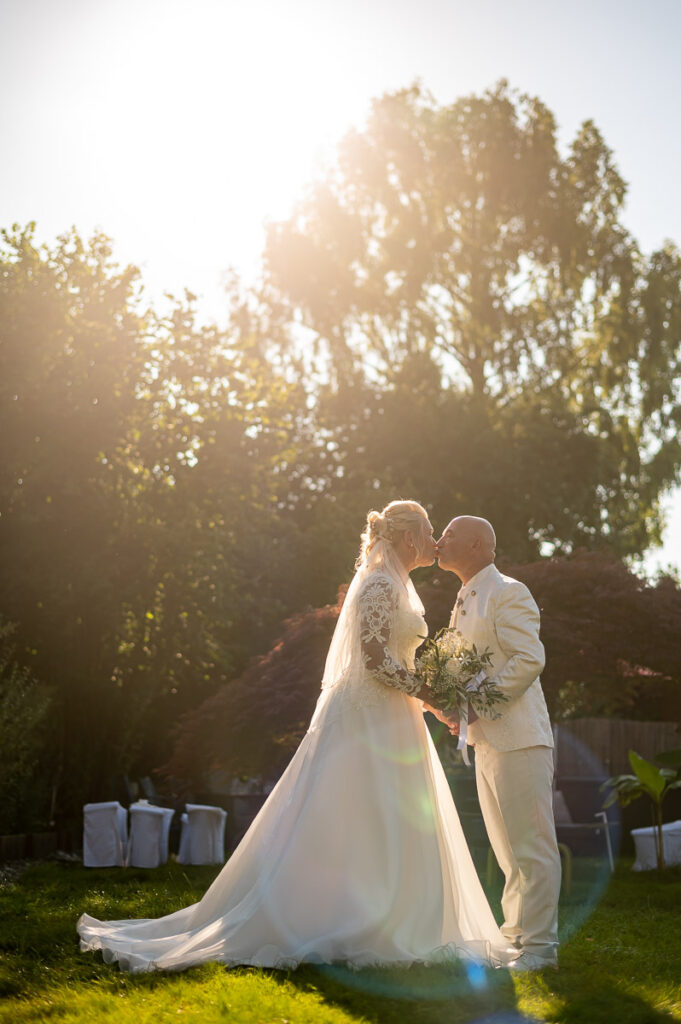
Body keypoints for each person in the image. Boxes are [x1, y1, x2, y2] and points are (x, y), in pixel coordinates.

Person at [78, 501, 514, 973]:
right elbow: (373, 661)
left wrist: (430, 700)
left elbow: (396, 661)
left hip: (392, 716)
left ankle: (393, 914)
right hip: (367, 719)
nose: (434, 540)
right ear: (409, 538)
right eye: (429, 530)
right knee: (354, 812)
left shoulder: (399, 586)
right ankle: (339, 916)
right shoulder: (381, 585)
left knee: (390, 813)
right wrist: (428, 691)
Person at [435, 515, 561, 972]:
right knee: (508, 853)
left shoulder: (508, 590)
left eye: (447, 534)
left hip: (521, 739)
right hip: (487, 741)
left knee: (532, 848)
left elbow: (529, 659)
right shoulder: (464, 595)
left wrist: (474, 706)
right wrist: (455, 707)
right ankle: (516, 939)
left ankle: (542, 950)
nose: (439, 540)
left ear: (476, 545)